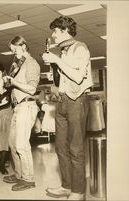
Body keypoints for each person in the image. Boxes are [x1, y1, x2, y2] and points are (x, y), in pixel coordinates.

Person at [42, 16, 93, 200]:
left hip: (77, 102)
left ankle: (78, 192)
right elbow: (64, 78)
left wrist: (56, 60)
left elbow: (78, 78)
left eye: (55, 31)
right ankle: (67, 185)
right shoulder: (64, 51)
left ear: (64, 30)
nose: (53, 35)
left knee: (76, 149)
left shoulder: (80, 47)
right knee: (60, 147)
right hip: (62, 102)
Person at [2, 36, 40, 191]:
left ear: (24, 46)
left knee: (21, 145)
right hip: (17, 107)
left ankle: (29, 179)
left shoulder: (31, 63)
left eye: (15, 49)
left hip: (27, 105)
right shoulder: (18, 64)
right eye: (11, 50)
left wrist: (13, 81)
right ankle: (19, 174)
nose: (13, 52)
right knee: (12, 143)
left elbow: (31, 89)